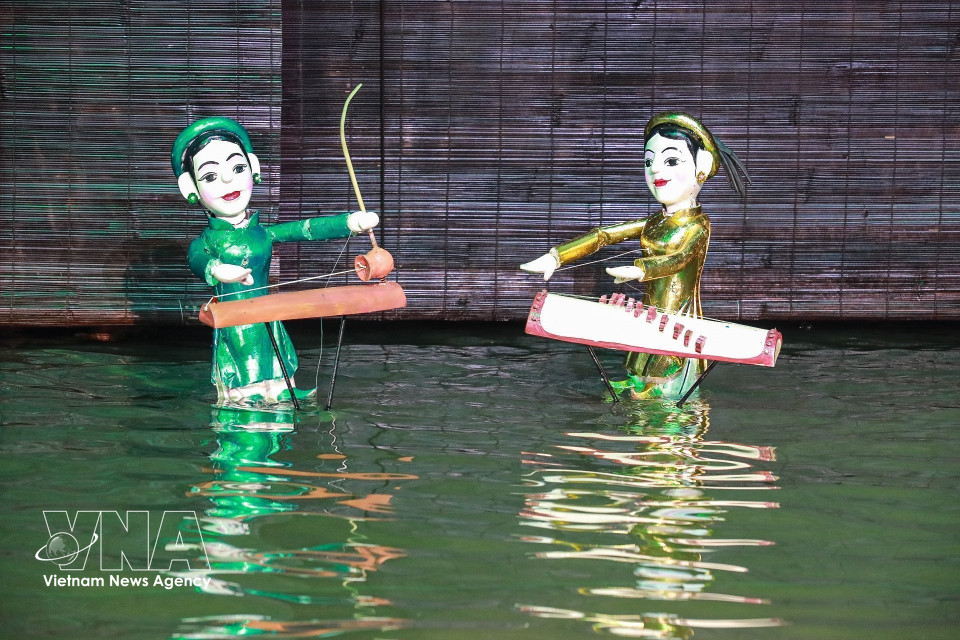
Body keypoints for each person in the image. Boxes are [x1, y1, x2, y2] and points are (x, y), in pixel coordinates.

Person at [521, 112, 749, 399]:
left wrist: (642, 269)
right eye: (648, 161)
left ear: (701, 166)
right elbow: (605, 234)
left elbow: (679, 258)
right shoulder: (655, 222)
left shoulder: (697, 225)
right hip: (649, 319)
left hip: (678, 325)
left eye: (671, 160)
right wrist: (557, 257)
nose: (655, 170)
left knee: (667, 400)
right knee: (637, 386)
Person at [171, 116, 379, 404]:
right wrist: (217, 269)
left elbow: (305, 229)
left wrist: (351, 222)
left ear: (253, 169)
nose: (228, 180)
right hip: (236, 329)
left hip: (269, 321)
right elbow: (196, 259)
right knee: (246, 402)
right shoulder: (206, 242)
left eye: (237, 167)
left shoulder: (264, 233)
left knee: (282, 396)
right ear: (189, 188)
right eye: (210, 176)